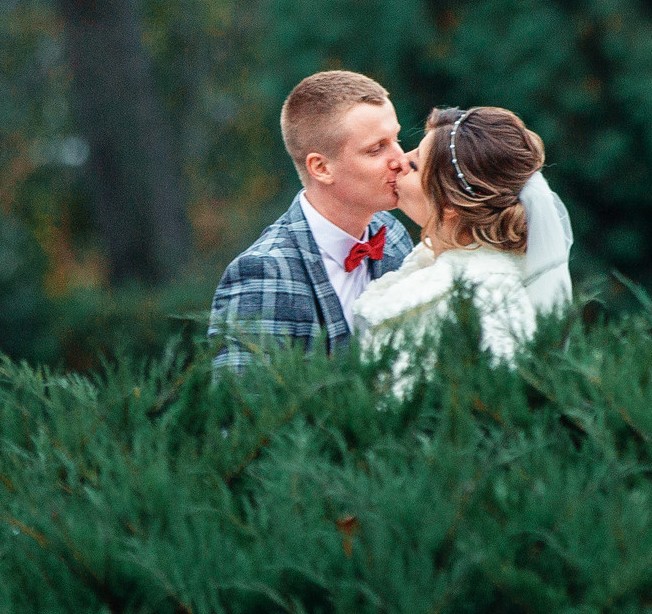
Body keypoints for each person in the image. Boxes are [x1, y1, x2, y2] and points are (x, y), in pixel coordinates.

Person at [208, 71, 418, 370]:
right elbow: (246, 408)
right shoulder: (263, 272)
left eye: (396, 140)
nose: (401, 159)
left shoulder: (393, 235)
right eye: (376, 149)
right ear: (321, 168)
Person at [351, 106, 545, 389]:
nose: (398, 161)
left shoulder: (480, 296)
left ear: (449, 204)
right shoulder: (431, 270)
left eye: (415, 165)